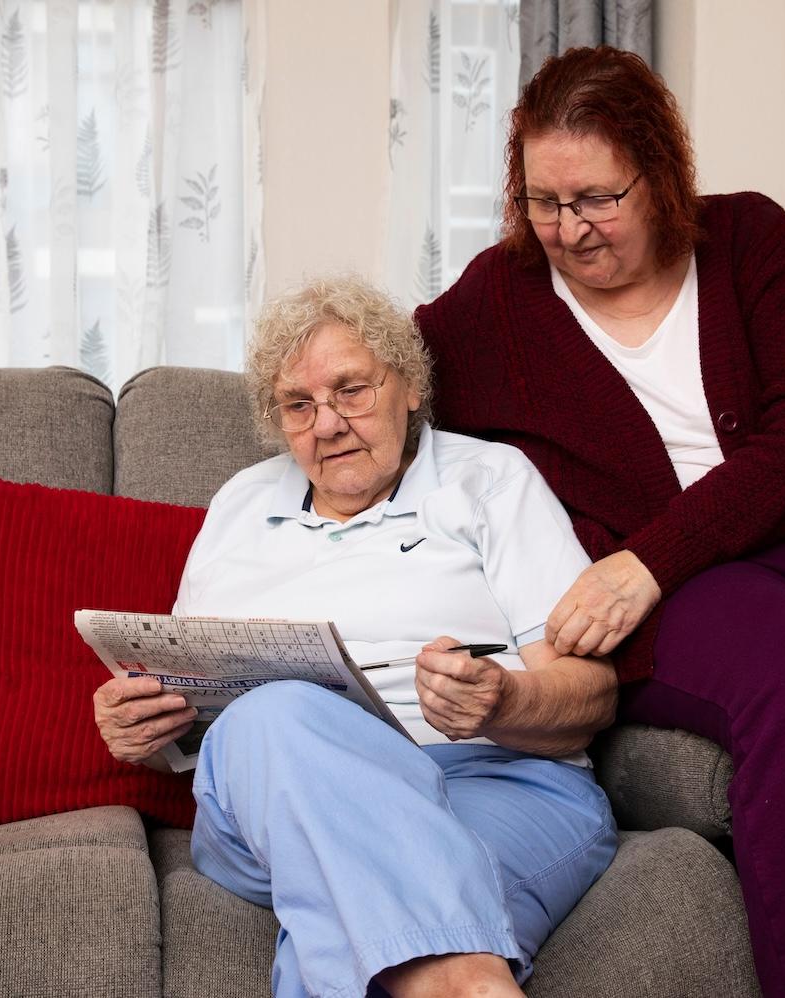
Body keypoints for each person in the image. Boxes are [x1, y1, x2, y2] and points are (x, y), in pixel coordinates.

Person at [414, 45, 785, 998]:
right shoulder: (496, 300)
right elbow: (380, 374)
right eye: (544, 202)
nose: (570, 230)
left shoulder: (749, 238)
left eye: (599, 198)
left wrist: (651, 555)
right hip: (686, 606)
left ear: (663, 173)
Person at [93, 275, 618, 998]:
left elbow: (590, 698)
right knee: (273, 714)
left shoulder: (491, 481)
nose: (328, 424)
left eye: (351, 391)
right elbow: (198, 723)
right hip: (272, 804)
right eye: (298, 406)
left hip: (494, 779)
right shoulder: (242, 502)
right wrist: (146, 734)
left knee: (349, 926)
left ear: (408, 385)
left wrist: (502, 700)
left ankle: (466, 981)